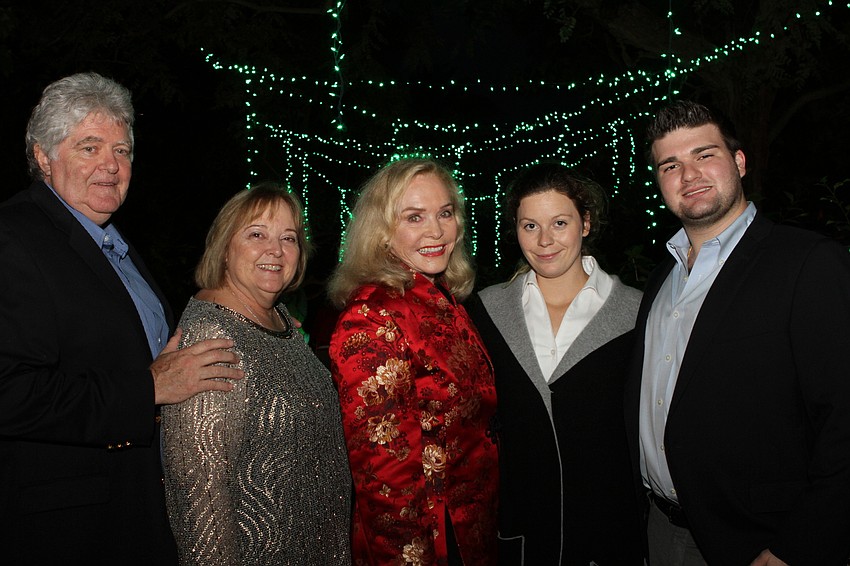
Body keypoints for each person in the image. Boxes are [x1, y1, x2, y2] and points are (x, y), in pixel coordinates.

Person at [0, 72, 243, 565]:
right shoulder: (15, 237)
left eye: (123, 150)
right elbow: (10, 392)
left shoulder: (115, 247)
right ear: (43, 156)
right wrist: (147, 388)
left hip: (139, 511)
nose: (111, 165)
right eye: (90, 147)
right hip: (67, 530)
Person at [626, 99, 850, 565]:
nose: (689, 176)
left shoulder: (807, 263)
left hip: (761, 543)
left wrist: (798, 545)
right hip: (661, 531)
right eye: (671, 165)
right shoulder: (660, 279)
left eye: (704, 155)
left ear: (740, 162)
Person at [161, 183, 352, 565]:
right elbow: (200, 498)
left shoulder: (281, 319)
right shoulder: (212, 336)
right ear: (224, 249)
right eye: (256, 234)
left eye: (289, 238)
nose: (276, 250)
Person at [465, 163, 644, 565]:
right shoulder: (485, 310)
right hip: (519, 536)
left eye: (559, 222)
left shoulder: (637, 313)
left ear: (586, 223)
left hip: (608, 535)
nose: (544, 240)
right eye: (530, 226)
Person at [327, 158, 498, 565]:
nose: (436, 231)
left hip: (470, 530)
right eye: (414, 217)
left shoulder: (441, 299)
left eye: (445, 213)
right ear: (382, 233)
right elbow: (383, 477)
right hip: (426, 543)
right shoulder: (371, 317)